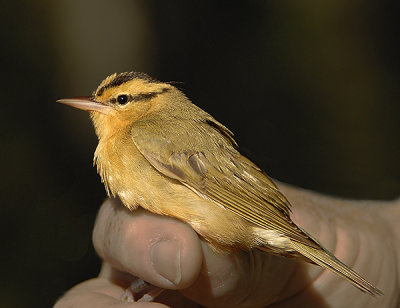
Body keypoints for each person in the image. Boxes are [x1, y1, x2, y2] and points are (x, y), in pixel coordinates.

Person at [54, 182, 399, 307]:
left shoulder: (143, 134)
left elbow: (222, 188)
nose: (102, 108)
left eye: (121, 101)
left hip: (243, 217)